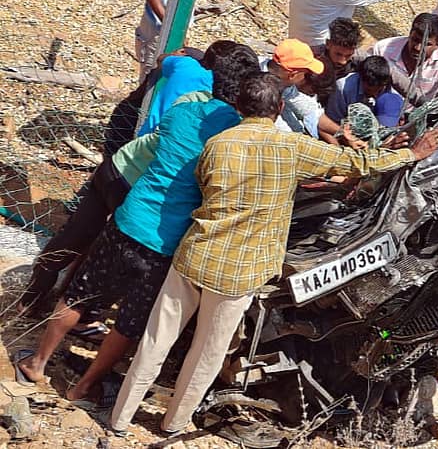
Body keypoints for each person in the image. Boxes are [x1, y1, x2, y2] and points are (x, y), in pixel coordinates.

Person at [108, 72, 438, 435]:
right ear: (280, 107)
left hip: (194, 255)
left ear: (239, 107)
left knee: (155, 340)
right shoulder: (292, 148)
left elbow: (206, 185)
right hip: (239, 272)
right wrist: (411, 153)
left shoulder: (218, 144)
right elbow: (357, 164)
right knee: (207, 352)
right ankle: (174, 422)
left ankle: (119, 418)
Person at [15, 45, 260, 406]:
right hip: (166, 240)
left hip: (130, 214)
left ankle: (37, 361)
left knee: (79, 289)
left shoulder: (185, 110)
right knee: (130, 321)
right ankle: (82, 387)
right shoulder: (236, 139)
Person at [17, 41, 234, 319]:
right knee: (108, 248)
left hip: (123, 157)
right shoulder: (219, 113)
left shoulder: (183, 66)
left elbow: (162, 60)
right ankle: (73, 307)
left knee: (76, 233)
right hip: (146, 178)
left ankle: (30, 299)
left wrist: (178, 54)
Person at [370, 13, 438, 105]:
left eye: (427, 44)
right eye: (415, 40)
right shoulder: (383, 49)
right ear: (410, 34)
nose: (418, 48)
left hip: (416, 114)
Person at [261, 39, 343, 144]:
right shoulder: (259, 90)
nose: (306, 77)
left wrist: (341, 132)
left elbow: (310, 111)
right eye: (305, 73)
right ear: (293, 74)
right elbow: (281, 133)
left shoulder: (284, 82)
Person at [326, 55, 403, 127]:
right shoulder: (343, 89)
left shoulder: (389, 92)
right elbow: (332, 122)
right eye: (369, 90)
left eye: (378, 90)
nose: (374, 94)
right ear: (361, 79)